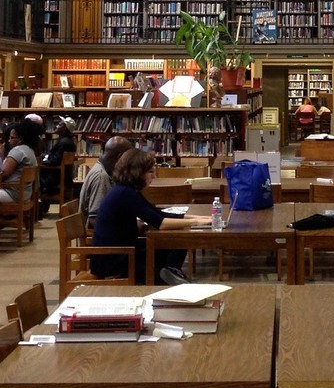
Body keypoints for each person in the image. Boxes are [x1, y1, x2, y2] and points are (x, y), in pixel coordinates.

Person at [90, 148, 211, 284]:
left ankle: (170, 273)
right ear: (137, 172)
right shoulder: (125, 193)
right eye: (150, 172)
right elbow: (161, 223)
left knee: (178, 243)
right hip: (114, 260)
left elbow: (157, 212)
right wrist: (196, 223)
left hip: (124, 253)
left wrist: (196, 218)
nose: (154, 176)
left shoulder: (126, 190)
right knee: (167, 269)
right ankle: (168, 276)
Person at [78, 135, 132, 226]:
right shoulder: (101, 177)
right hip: (95, 236)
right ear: (120, 157)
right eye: (128, 158)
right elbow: (95, 219)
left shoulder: (104, 170)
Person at [40, 115, 77, 215]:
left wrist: (44, 159)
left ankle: (38, 211)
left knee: (34, 178)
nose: (57, 126)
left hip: (55, 177)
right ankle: (43, 208)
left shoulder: (63, 142)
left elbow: (54, 161)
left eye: (60, 125)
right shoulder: (69, 142)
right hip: (65, 176)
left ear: (65, 128)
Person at [0, 120, 40, 203]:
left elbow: (4, 174)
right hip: (25, 194)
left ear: (20, 139)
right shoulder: (29, 150)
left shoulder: (17, 151)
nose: (9, 141)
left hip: (12, 193)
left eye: (12, 138)